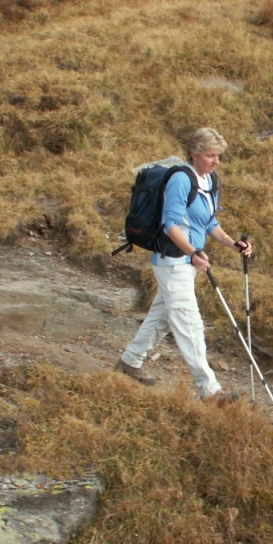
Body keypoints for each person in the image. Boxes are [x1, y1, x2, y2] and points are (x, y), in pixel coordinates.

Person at [114, 127, 252, 404]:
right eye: (210, 155)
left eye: (218, 156)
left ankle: (129, 364)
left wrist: (232, 243)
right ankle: (210, 391)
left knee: (162, 317)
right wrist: (193, 253)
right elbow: (171, 225)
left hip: (186, 262)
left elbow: (209, 222)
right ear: (194, 154)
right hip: (172, 261)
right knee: (190, 324)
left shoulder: (210, 179)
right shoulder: (180, 179)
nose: (216, 161)